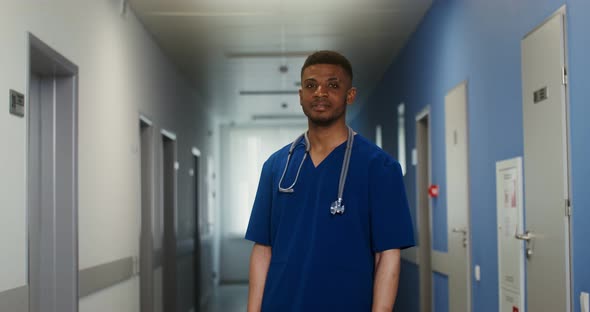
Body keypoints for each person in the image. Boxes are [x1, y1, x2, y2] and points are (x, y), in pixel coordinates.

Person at [245, 50, 415, 311]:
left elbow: (388, 257)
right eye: (311, 85)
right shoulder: (276, 167)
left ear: (350, 95)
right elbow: (262, 250)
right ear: (300, 96)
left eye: (332, 85)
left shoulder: (380, 167)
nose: (320, 93)